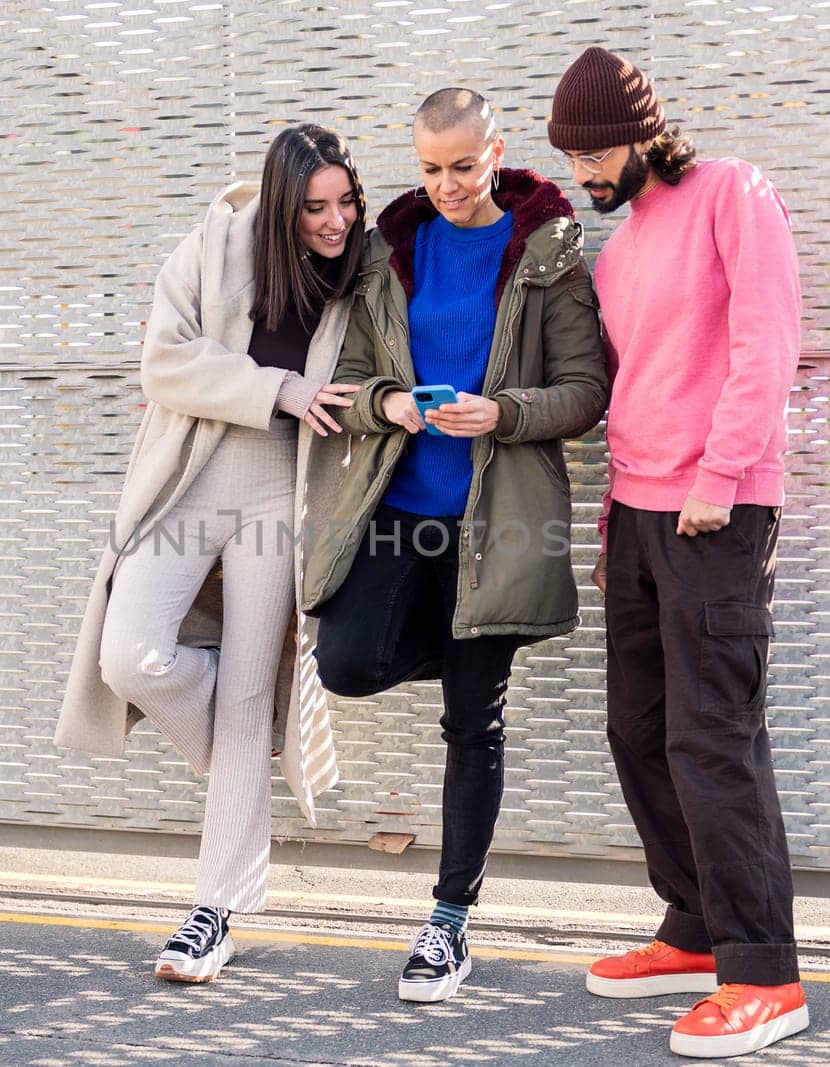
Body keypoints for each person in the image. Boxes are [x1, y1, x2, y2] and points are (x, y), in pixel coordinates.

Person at [302, 88, 608, 1004]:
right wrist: (387, 402)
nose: (445, 185)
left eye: (463, 166)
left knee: (472, 725)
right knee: (346, 663)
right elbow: (352, 381)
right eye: (430, 168)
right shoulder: (391, 252)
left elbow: (586, 390)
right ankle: (482, 647)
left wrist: (503, 413)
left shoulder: (547, 251)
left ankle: (448, 921)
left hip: (496, 520)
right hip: (397, 509)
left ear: (497, 153)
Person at [54, 124, 365, 983]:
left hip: (282, 486)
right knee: (131, 654)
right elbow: (165, 363)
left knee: (249, 693)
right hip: (193, 472)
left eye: (346, 202)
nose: (335, 221)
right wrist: (280, 388)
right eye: (314, 208)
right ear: (278, 205)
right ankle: (238, 735)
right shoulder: (212, 245)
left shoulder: (361, 270)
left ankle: (212, 912)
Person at [546, 46, 807, 1058]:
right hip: (641, 515)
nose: (583, 175)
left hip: (716, 511)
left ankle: (764, 971)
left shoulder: (731, 193)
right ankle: (695, 926)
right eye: (571, 158)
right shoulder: (616, 251)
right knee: (639, 728)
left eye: (592, 153)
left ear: (641, 132)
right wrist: (620, 516)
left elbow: (766, 338)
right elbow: (634, 388)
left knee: (714, 737)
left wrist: (717, 474)